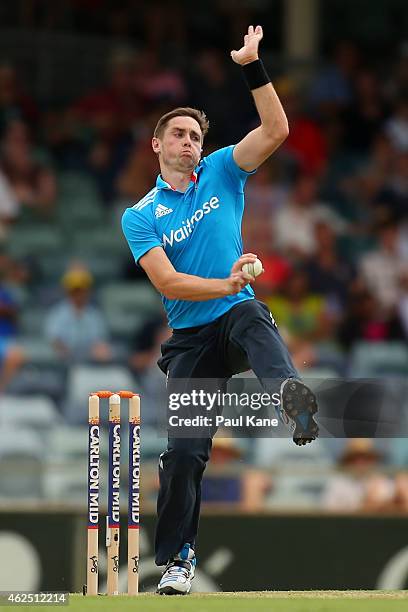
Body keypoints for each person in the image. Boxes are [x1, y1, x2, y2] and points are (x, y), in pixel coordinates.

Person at [122, 26, 318, 596]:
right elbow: (168, 282)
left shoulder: (223, 170)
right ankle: (179, 560)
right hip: (190, 340)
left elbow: (277, 130)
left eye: (195, 135)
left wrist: (251, 66)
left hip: (233, 317)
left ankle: (290, 398)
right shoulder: (141, 214)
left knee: (252, 314)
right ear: (157, 146)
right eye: (178, 134)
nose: (189, 142)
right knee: (183, 456)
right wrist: (225, 278)